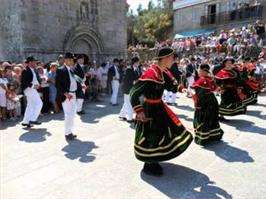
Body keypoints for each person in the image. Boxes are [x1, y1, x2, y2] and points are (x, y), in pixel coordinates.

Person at [130, 47, 193, 176]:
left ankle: (156, 158)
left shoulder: (164, 71)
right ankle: (149, 164)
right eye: (171, 58)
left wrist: (183, 89)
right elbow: (133, 93)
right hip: (149, 109)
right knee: (151, 135)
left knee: (163, 132)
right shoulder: (150, 73)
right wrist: (139, 110)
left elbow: (172, 84)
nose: (173, 60)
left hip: (159, 107)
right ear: (164, 58)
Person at [192, 64, 224, 146]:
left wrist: (197, 104)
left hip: (204, 103)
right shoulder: (210, 79)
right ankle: (214, 136)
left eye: (199, 70)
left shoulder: (201, 81)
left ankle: (203, 138)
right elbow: (216, 89)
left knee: (203, 119)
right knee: (212, 118)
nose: (198, 71)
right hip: (212, 101)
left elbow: (199, 94)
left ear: (202, 71)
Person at [56, 53, 78, 141]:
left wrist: (82, 85)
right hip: (67, 95)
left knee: (72, 114)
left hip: (73, 94)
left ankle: (70, 132)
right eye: (71, 60)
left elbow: (74, 81)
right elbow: (58, 84)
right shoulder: (61, 70)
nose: (72, 61)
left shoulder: (71, 70)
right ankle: (67, 133)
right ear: (66, 60)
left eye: (72, 60)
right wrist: (65, 94)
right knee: (68, 114)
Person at [21, 56, 43, 128]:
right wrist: (34, 86)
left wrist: (40, 83)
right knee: (39, 103)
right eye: (34, 61)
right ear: (30, 62)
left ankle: (26, 121)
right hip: (29, 89)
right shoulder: (25, 70)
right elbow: (25, 82)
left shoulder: (34, 70)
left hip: (32, 89)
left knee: (30, 105)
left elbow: (37, 79)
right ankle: (33, 119)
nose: (35, 63)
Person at [119, 57, 141, 123]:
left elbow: (138, 77)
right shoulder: (129, 69)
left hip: (133, 88)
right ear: (135, 62)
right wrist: (134, 81)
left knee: (126, 102)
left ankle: (122, 115)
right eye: (138, 62)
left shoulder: (137, 69)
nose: (138, 63)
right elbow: (126, 80)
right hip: (127, 89)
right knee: (129, 103)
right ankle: (129, 118)